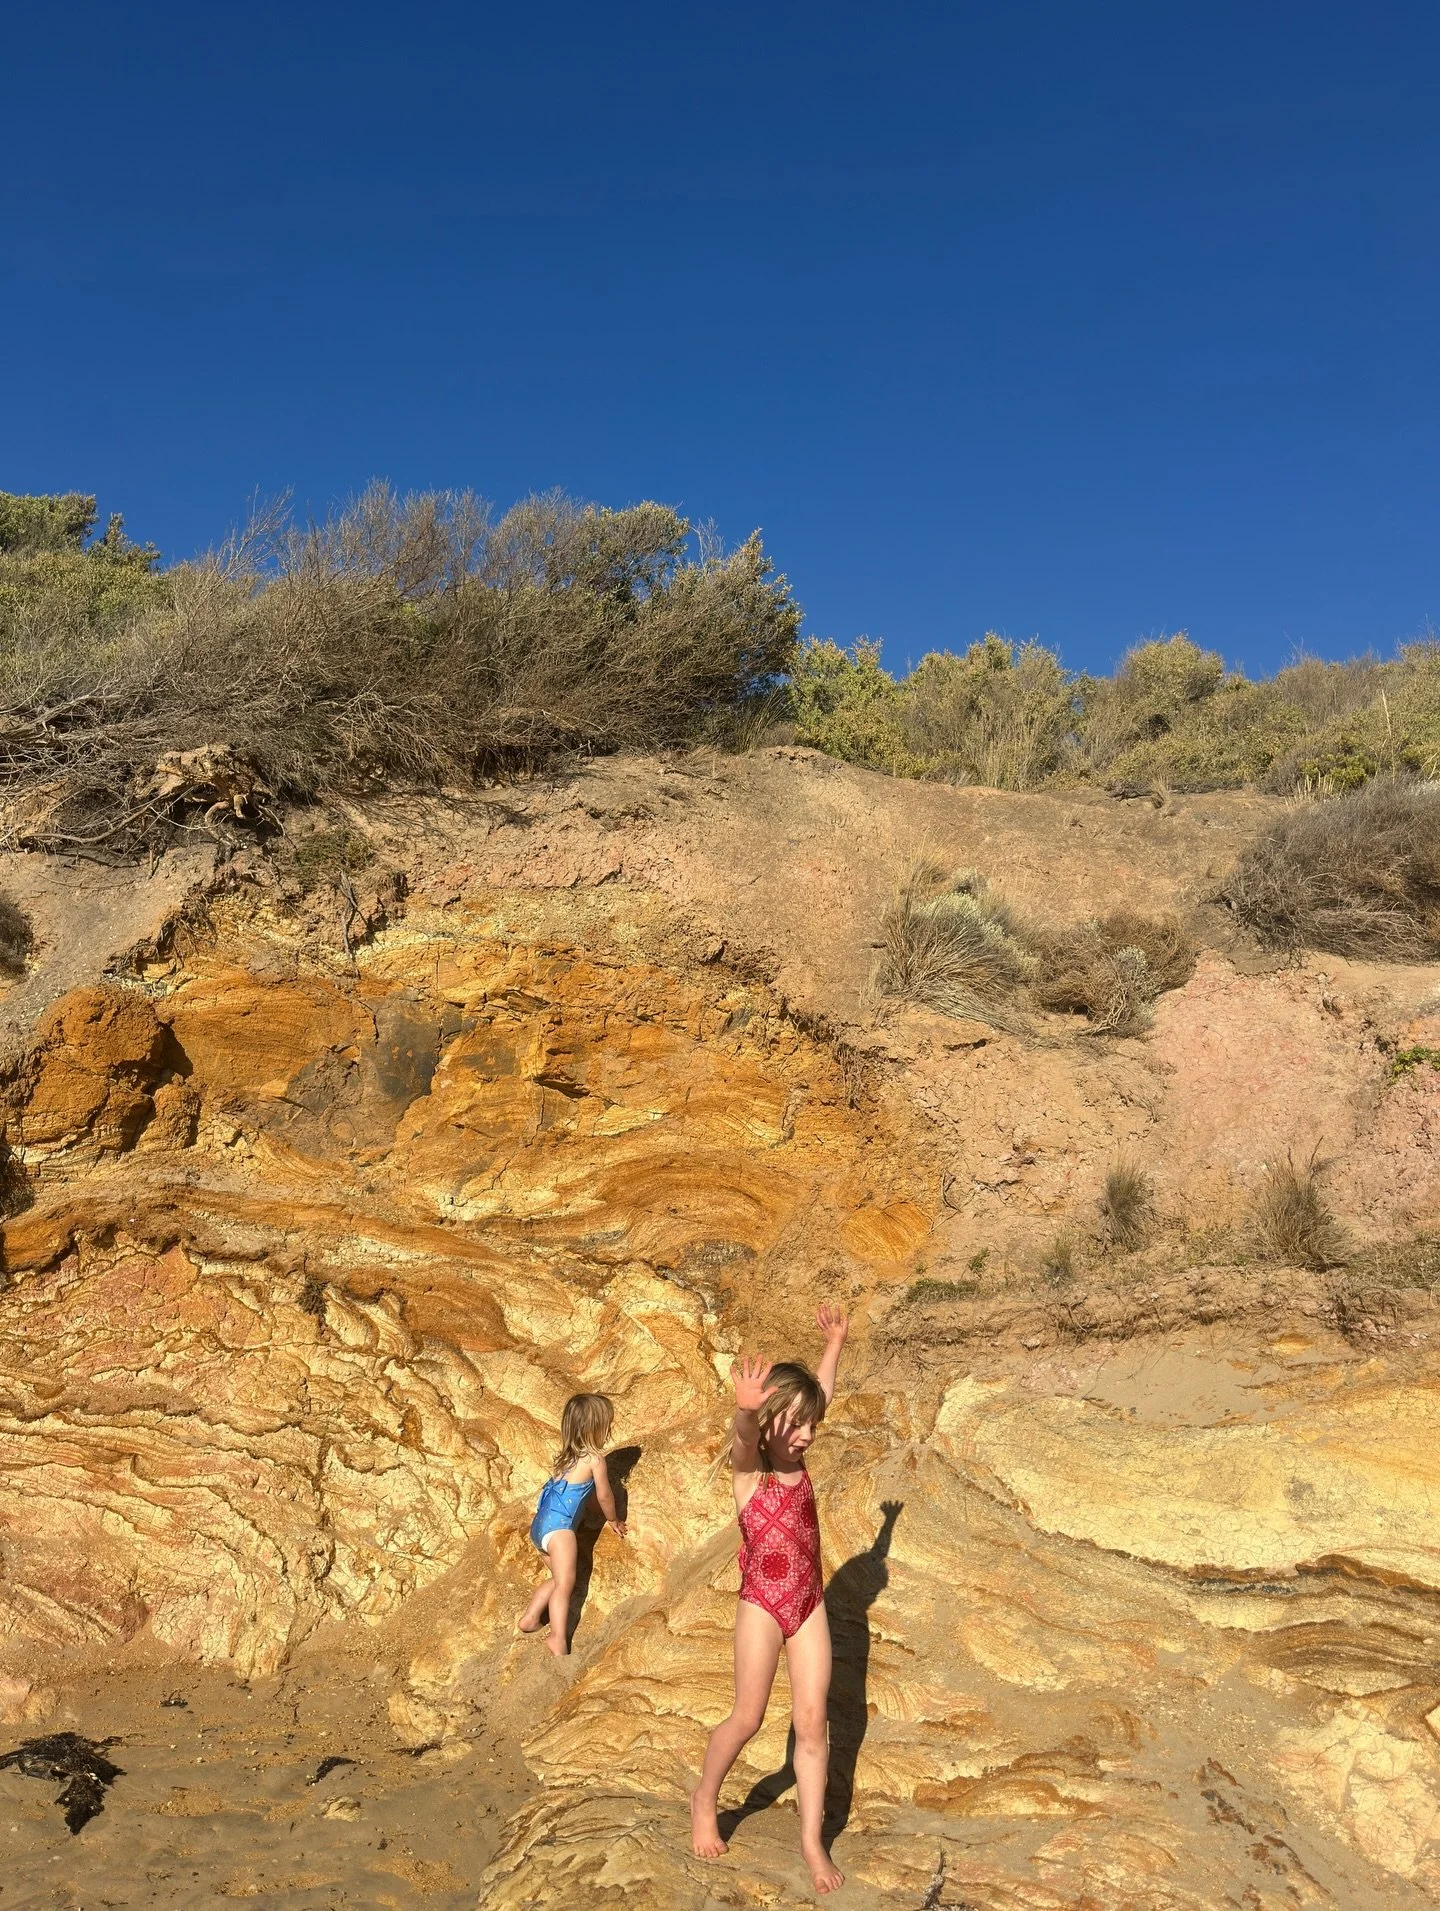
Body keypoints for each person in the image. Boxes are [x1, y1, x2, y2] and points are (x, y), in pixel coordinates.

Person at [690, 1304, 849, 1894]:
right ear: (772, 1419)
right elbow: (742, 1438)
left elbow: (821, 1394)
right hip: (760, 1603)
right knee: (749, 1716)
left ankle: (812, 1841)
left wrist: (834, 1344)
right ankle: (705, 1799)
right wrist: (746, 1410)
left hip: (809, 1603)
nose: (808, 1434)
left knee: (813, 1725)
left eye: (813, 1426)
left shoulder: (800, 1460)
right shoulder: (749, 1473)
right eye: (798, 1424)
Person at [518, 1391, 626, 1656]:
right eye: (606, 1423)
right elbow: (602, 1494)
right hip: (559, 1531)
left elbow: (580, 1493)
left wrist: (591, 1513)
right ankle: (557, 1637)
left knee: (557, 1579)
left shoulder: (566, 1459)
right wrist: (612, 1518)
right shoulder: (594, 1460)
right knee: (566, 1584)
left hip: (540, 1527)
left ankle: (530, 1619)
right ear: (597, 1428)